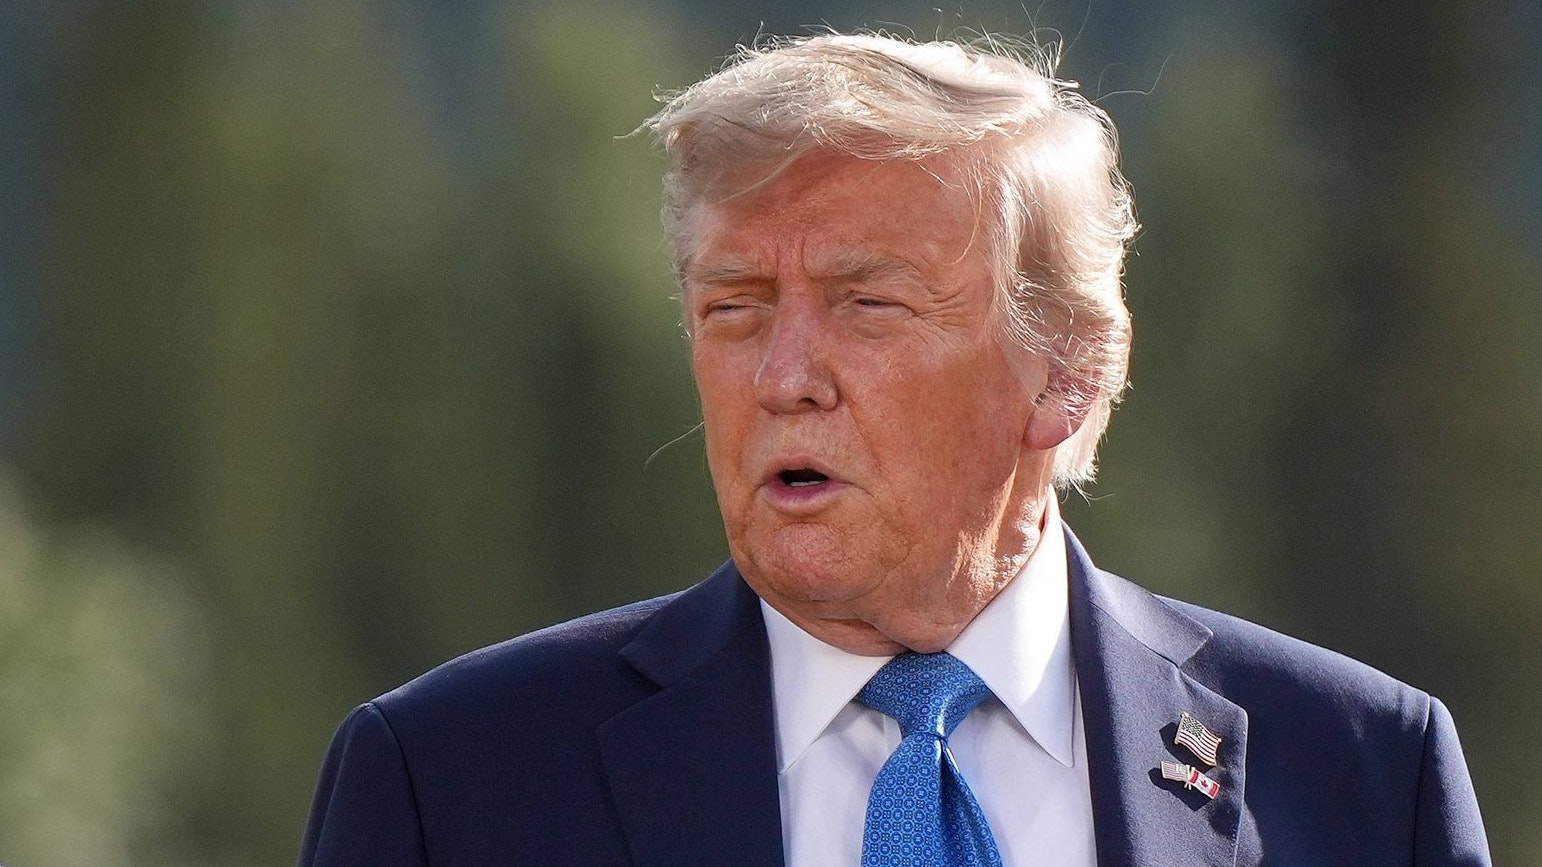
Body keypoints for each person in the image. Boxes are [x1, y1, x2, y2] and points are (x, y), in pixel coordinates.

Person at [298, 33, 1491, 866]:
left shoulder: (1361, 774)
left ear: (1065, 373)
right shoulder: (452, 781)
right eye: (735, 308)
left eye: (868, 305)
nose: (781, 377)